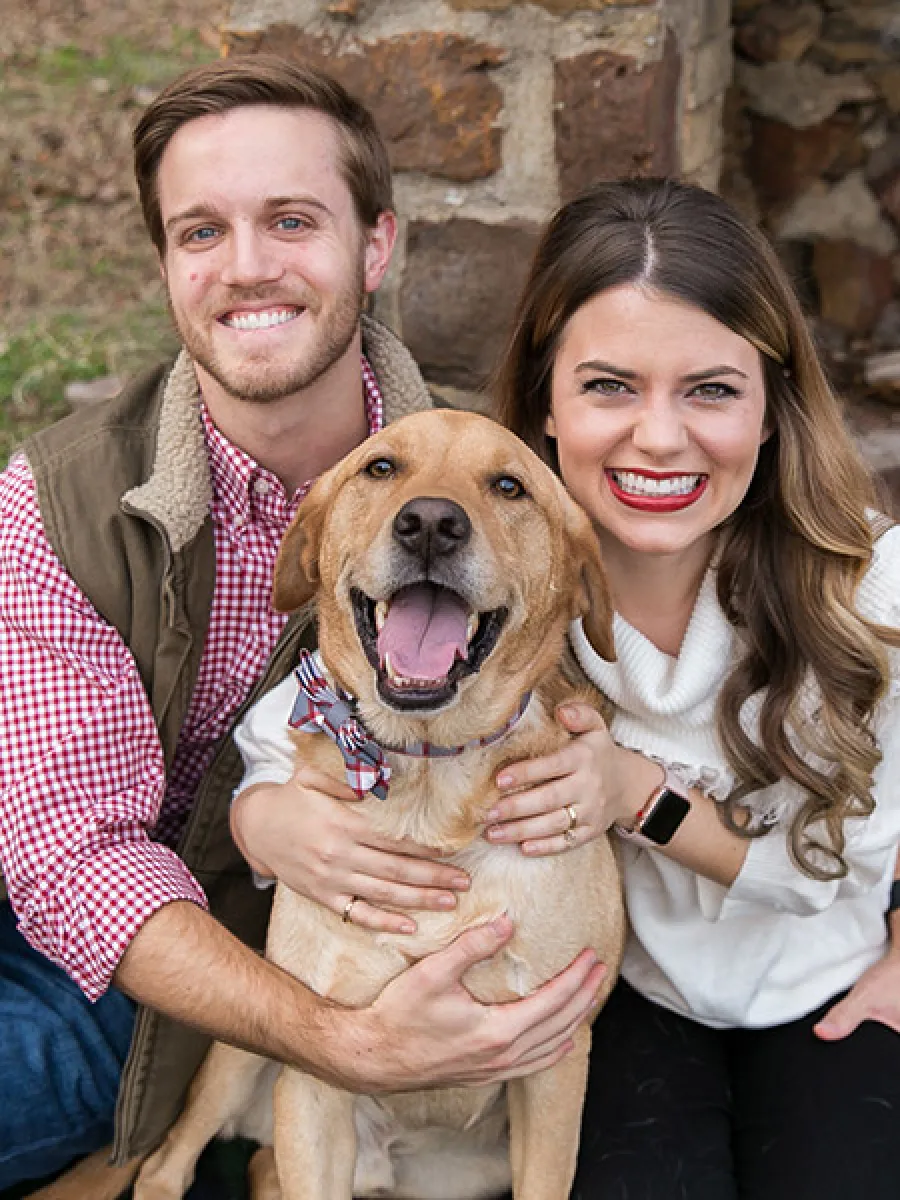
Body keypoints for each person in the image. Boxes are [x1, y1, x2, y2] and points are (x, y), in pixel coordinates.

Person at [0, 56, 604, 1192]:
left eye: (290, 220)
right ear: (166, 263)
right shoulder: (57, 502)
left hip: (243, 971)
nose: (246, 269)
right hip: (117, 955)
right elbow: (72, 856)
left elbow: (563, 644)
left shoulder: (482, 483)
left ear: (376, 245)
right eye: (200, 232)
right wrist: (343, 1040)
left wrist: (609, 756)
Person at [487, 176, 900, 1198]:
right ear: (545, 401)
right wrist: (272, 818)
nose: (660, 438)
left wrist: (637, 793)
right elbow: (314, 714)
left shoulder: (870, 588)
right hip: (620, 987)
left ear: (771, 411)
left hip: (831, 977)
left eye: (711, 389)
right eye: (610, 386)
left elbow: (825, 875)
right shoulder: (495, 579)